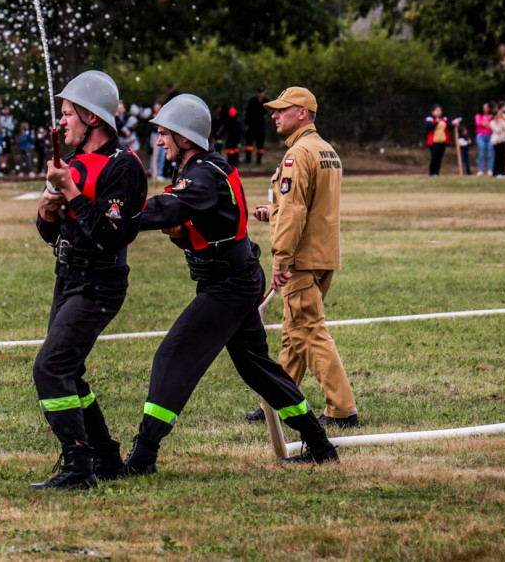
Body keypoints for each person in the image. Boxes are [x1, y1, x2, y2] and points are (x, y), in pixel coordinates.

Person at [120, 94, 338, 476]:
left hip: (229, 286)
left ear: (185, 137)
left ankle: (143, 456)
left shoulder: (202, 174)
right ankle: (319, 444)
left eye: (164, 134)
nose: (159, 142)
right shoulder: (200, 167)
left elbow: (169, 209)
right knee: (257, 368)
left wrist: (117, 214)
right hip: (230, 279)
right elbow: (194, 225)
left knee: (173, 356)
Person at [30, 70, 148, 490]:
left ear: (91, 117)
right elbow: (51, 233)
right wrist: (47, 212)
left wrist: (74, 195)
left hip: (99, 282)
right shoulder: (73, 162)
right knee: (70, 372)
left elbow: (112, 236)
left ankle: (79, 465)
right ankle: (105, 457)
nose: (61, 122)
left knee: (50, 368)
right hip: (68, 277)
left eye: (67, 114)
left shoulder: (124, 167)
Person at [246, 87, 359, 428]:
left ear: (303, 114)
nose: (274, 115)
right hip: (323, 255)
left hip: (301, 259)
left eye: (282, 110)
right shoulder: (326, 151)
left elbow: (295, 211)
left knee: (308, 330)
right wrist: (274, 210)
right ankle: (278, 403)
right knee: (294, 334)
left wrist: (281, 260)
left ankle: (342, 410)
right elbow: (304, 205)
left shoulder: (298, 155)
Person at [425, 105, 458, 177]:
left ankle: (437, 172)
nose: (438, 112)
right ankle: (432, 172)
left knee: (439, 157)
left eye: (439, 111)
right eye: (436, 111)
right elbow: (428, 128)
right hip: (433, 141)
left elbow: (449, 127)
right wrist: (435, 122)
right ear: (433, 112)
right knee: (434, 157)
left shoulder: (444, 119)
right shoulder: (429, 119)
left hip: (442, 141)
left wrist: (453, 124)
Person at [245, 87, 268, 164]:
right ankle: (248, 159)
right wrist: (246, 124)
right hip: (252, 125)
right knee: (249, 143)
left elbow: (266, 112)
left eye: (262, 92)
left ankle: (259, 159)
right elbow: (248, 113)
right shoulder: (252, 101)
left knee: (260, 143)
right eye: (259, 92)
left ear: (264, 93)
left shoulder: (266, 102)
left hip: (261, 126)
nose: (260, 94)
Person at [490, 101, 505, 178]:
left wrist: (502, 124)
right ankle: (496, 171)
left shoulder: (502, 121)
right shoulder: (492, 122)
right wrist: (500, 124)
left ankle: (502, 171)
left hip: (503, 140)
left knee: (503, 156)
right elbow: (497, 130)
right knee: (498, 156)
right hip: (496, 141)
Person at [475, 102, 494, 175]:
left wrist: (485, 124)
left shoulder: (492, 116)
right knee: (481, 152)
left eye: (487, 107)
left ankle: (490, 169)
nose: (486, 109)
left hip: (490, 135)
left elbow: (492, 124)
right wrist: (486, 124)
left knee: (490, 152)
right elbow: (478, 124)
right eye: (484, 108)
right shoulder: (478, 115)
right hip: (481, 136)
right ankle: (480, 169)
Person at [149, 102, 166, 180]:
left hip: (162, 134)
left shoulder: (164, 116)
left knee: (162, 155)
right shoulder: (151, 117)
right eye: (156, 107)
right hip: (154, 136)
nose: (157, 109)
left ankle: (160, 173)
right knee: (155, 155)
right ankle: (154, 173)